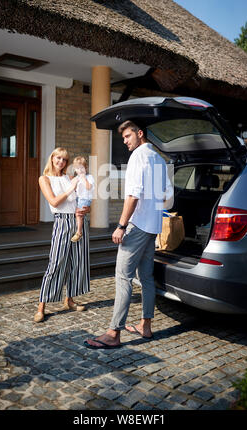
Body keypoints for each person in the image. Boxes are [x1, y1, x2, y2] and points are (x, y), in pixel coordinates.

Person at [84, 121, 173, 349]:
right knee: (146, 278)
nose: (124, 141)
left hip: (137, 225)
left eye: (127, 136)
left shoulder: (138, 157)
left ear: (139, 133)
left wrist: (121, 225)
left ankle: (113, 333)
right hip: (153, 226)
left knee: (123, 277)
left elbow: (133, 195)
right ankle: (146, 326)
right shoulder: (159, 159)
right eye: (123, 138)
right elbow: (163, 194)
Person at [34, 147, 90, 323]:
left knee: (77, 262)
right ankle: (41, 307)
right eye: (58, 158)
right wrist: (70, 188)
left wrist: (85, 208)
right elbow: (54, 202)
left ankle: (70, 301)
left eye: (65, 160)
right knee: (56, 263)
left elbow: (82, 198)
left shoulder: (69, 177)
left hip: (78, 221)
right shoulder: (44, 179)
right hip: (61, 222)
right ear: (52, 159)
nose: (61, 162)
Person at [70, 156, 94, 242]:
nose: (80, 170)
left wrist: (84, 179)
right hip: (78, 198)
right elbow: (72, 188)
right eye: (77, 168)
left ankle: (79, 232)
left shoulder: (89, 177)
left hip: (85, 198)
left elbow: (88, 187)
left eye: (82, 168)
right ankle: (78, 230)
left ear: (86, 168)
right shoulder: (76, 178)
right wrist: (75, 181)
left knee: (79, 214)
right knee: (78, 214)